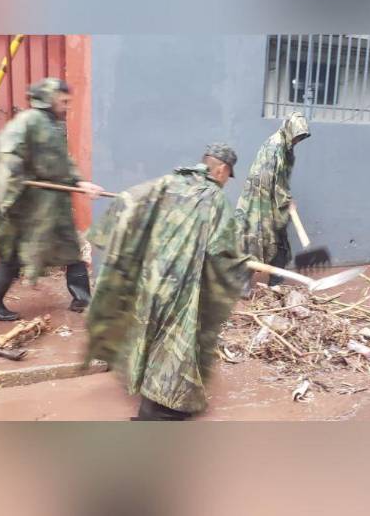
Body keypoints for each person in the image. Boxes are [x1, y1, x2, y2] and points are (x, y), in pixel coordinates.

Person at [84, 144, 251, 421]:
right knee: (172, 346)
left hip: (149, 279)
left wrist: (103, 235)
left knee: (148, 336)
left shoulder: (169, 182)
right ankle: (155, 411)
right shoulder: (214, 199)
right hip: (180, 285)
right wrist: (239, 262)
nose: (225, 182)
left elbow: (129, 199)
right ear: (221, 170)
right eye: (227, 176)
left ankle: (147, 398)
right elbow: (219, 249)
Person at [0, 78, 104, 321]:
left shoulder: (52, 124)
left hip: (53, 202)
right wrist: (13, 181)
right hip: (30, 204)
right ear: (49, 98)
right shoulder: (28, 121)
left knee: (70, 247)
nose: (66, 106)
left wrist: (80, 183)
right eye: (63, 101)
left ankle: (82, 299)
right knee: (13, 254)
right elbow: (7, 154)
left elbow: (61, 163)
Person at [235, 112, 310, 288]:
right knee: (253, 241)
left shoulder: (285, 146)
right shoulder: (274, 147)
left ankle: (275, 282)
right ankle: (242, 285)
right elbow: (267, 180)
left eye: (301, 137)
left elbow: (281, 179)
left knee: (279, 241)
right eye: (297, 136)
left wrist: (285, 200)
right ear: (289, 130)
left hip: (273, 202)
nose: (298, 140)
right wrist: (285, 200)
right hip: (258, 203)